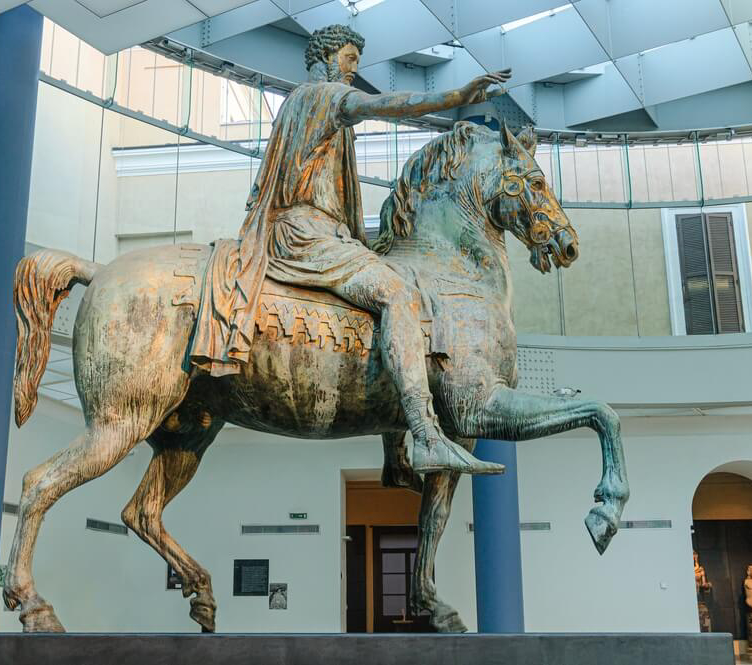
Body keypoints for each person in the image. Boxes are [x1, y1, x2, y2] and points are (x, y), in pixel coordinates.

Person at [190, 24, 512, 474]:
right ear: (325, 59)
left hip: (319, 232)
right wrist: (454, 96)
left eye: (355, 63)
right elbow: (382, 104)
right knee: (398, 294)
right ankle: (423, 432)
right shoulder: (320, 96)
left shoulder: (308, 106)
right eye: (348, 60)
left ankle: (395, 454)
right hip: (306, 234)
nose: (352, 72)